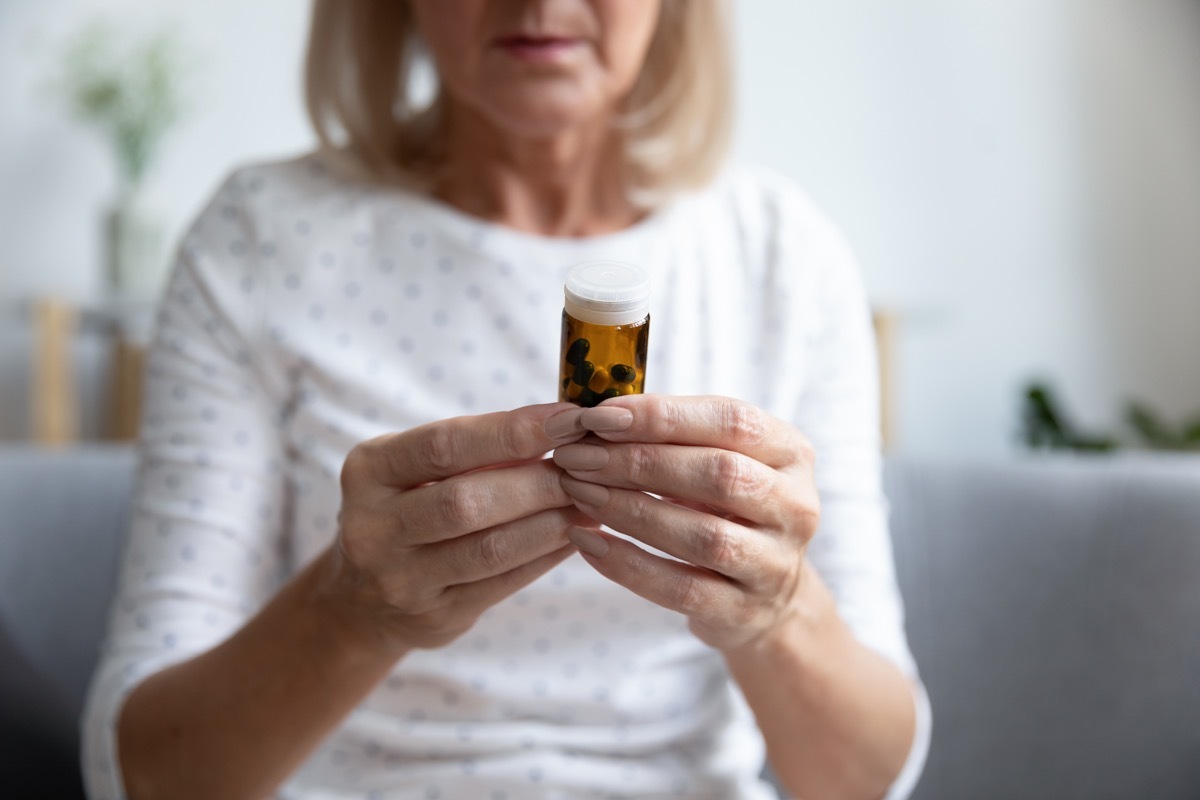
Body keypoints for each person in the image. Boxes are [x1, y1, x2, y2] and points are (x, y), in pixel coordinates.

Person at [82, 1, 931, 798]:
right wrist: (350, 614)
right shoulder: (260, 240)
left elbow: (868, 777)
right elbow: (142, 774)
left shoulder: (782, 258)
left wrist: (776, 614)